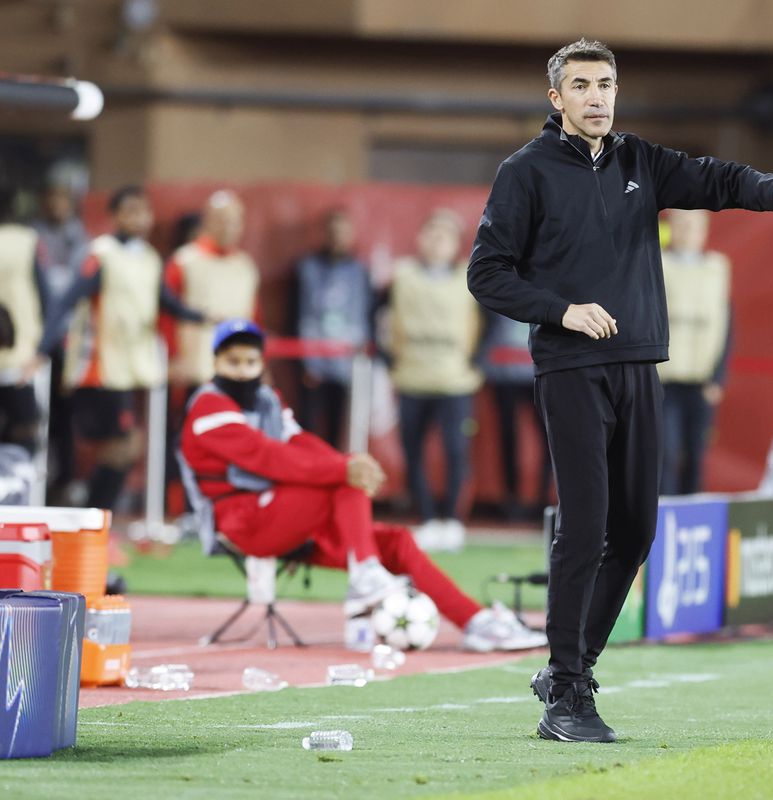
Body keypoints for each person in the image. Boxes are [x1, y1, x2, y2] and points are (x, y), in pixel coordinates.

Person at [468, 37, 773, 743]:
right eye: (581, 86)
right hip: (571, 368)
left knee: (635, 531)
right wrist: (561, 310)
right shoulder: (525, 172)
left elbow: (721, 179)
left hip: (640, 364)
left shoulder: (641, 161)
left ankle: (572, 667)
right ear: (556, 98)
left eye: (605, 84)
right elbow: (486, 273)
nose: (597, 96)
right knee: (583, 527)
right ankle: (567, 694)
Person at [178, 319, 545, 652]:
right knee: (342, 476)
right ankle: (365, 573)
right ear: (215, 364)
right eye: (233, 362)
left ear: (262, 364)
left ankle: (476, 622)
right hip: (243, 523)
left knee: (396, 542)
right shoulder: (208, 407)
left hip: (289, 515)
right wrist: (345, 467)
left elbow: (299, 443)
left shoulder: (267, 400)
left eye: (250, 362)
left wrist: (347, 464)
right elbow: (268, 457)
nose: (243, 372)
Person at [31, 185, 207, 511]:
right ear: (114, 217)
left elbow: (166, 302)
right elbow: (68, 299)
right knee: (124, 446)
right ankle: (93, 519)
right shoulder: (102, 255)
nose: (139, 218)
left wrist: (204, 317)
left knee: (122, 447)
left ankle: (93, 522)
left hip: (130, 370)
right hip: (99, 370)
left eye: (143, 210)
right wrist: (41, 349)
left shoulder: (150, 258)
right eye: (130, 211)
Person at [386, 209, 483, 552]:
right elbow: (375, 312)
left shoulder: (470, 277)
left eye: (445, 236)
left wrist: (478, 359)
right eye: (432, 233)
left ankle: (453, 522)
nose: (437, 241)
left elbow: (494, 317)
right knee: (412, 452)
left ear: (456, 244)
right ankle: (426, 519)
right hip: (412, 377)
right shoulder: (402, 276)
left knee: (456, 452)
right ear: (421, 238)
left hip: (454, 382)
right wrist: (387, 355)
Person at [657, 208, 732, 496]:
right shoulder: (657, 263)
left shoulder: (717, 267)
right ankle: (662, 516)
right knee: (665, 451)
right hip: (664, 377)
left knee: (696, 453)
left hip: (701, 380)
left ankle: (690, 515)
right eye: (682, 224)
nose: (688, 231)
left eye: (695, 225)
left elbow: (726, 322)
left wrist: (718, 376)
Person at [163, 190, 260, 390]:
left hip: (237, 370)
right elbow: (167, 314)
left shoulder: (246, 266)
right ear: (207, 222)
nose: (228, 228)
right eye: (222, 220)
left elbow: (254, 317)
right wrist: (173, 356)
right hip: (194, 369)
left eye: (234, 221)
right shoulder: (184, 260)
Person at [291, 208, 372, 446]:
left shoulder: (360, 271)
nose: (339, 237)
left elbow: (367, 314)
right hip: (311, 360)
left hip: (346, 362)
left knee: (339, 425)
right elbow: (293, 315)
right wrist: (301, 360)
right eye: (334, 231)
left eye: (344, 231)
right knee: (307, 424)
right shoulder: (306, 268)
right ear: (325, 234)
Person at [31, 181, 89, 497]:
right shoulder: (33, 236)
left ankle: (65, 480)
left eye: (62, 199)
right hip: (36, 338)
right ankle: (34, 478)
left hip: (70, 338)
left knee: (67, 414)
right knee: (36, 410)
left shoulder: (81, 239)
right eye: (51, 197)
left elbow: (78, 290)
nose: (57, 205)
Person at [479, 308, 552, 521]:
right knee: (509, 437)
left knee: (549, 438)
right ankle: (512, 501)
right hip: (506, 370)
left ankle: (540, 501)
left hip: (537, 369)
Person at [0, 184, 50, 458]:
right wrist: (43, 346)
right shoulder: (26, 240)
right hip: (21, 353)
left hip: (18, 351)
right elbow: (47, 297)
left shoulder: (25, 240)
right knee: (24, 430)